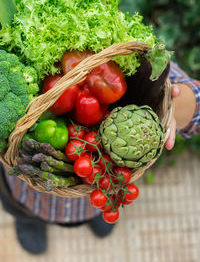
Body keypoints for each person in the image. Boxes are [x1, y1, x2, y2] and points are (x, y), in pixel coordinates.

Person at [0, 61, 199, 255]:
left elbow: (195, 99)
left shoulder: (133, 55)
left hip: (101, 191)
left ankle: (98, 214)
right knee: (22, 210)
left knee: (100, 208)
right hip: (26, 194)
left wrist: (174, 104)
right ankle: (30, 221)